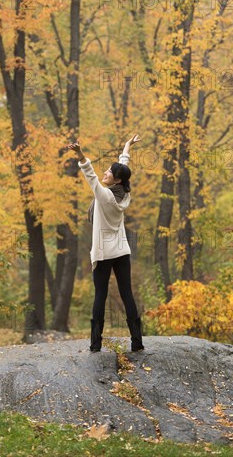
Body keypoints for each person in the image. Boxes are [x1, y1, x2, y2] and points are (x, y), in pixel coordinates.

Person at [67, 135, 144, 353]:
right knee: (127, 293)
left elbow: (90, 175)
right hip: (121, 251)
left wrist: (80, 154)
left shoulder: (105, 196)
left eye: (109, 172)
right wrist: (127, 147)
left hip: (103, 254)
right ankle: (137, 342)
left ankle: (95, 343)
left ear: (116, 180)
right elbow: (123, 166)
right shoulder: (123, 193)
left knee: (100, 295)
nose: (105, 173)